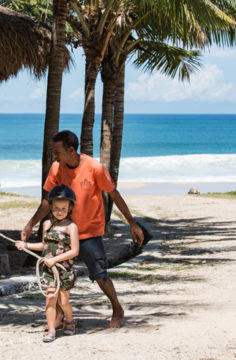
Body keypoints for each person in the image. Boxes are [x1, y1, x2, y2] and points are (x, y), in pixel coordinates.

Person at [21, 130, 144, 329]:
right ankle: (59, 318)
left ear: (71, 150)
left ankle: (117, 308)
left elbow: (114, 194)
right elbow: (47, 201)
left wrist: (132, 222)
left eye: (57, 151)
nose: (55, 156)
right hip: (62, 230)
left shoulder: (94, 168)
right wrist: (30, 224)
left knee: (100, 274)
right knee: (56, 273)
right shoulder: (56, 168)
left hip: (89, 231)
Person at [16, 185, 79, 342]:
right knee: (50, 298)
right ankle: (51, 329)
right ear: (51, 207)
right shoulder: (46, 225)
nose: (59, 211)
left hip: (64, 269)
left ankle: (69, 321)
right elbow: (44, 245)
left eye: (63, 208)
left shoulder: (71, 227)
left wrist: (55, 260)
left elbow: (75, 251)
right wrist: (26, 246)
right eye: (56, 208)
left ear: (70, 208)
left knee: (64, 302)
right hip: (49, 270)